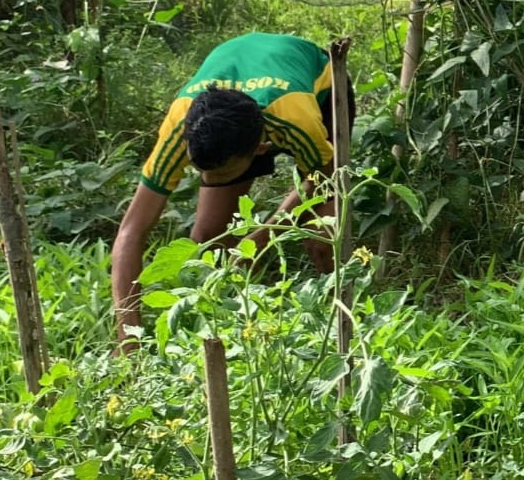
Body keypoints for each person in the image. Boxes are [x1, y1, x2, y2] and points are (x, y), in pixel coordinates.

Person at [111, 33, 351, 345]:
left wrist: (263, 235)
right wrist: (127, 340)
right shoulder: (179, 127)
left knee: (321, 233)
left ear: (261, 150)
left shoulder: (296, 118)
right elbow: (130, 232)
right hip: (238, 87)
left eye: (221, 173)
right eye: (201, 171)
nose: (208, 182)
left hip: (320, 87)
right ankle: (228, 326)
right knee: (209, 238)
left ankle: (339, 323)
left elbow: (323, 180)